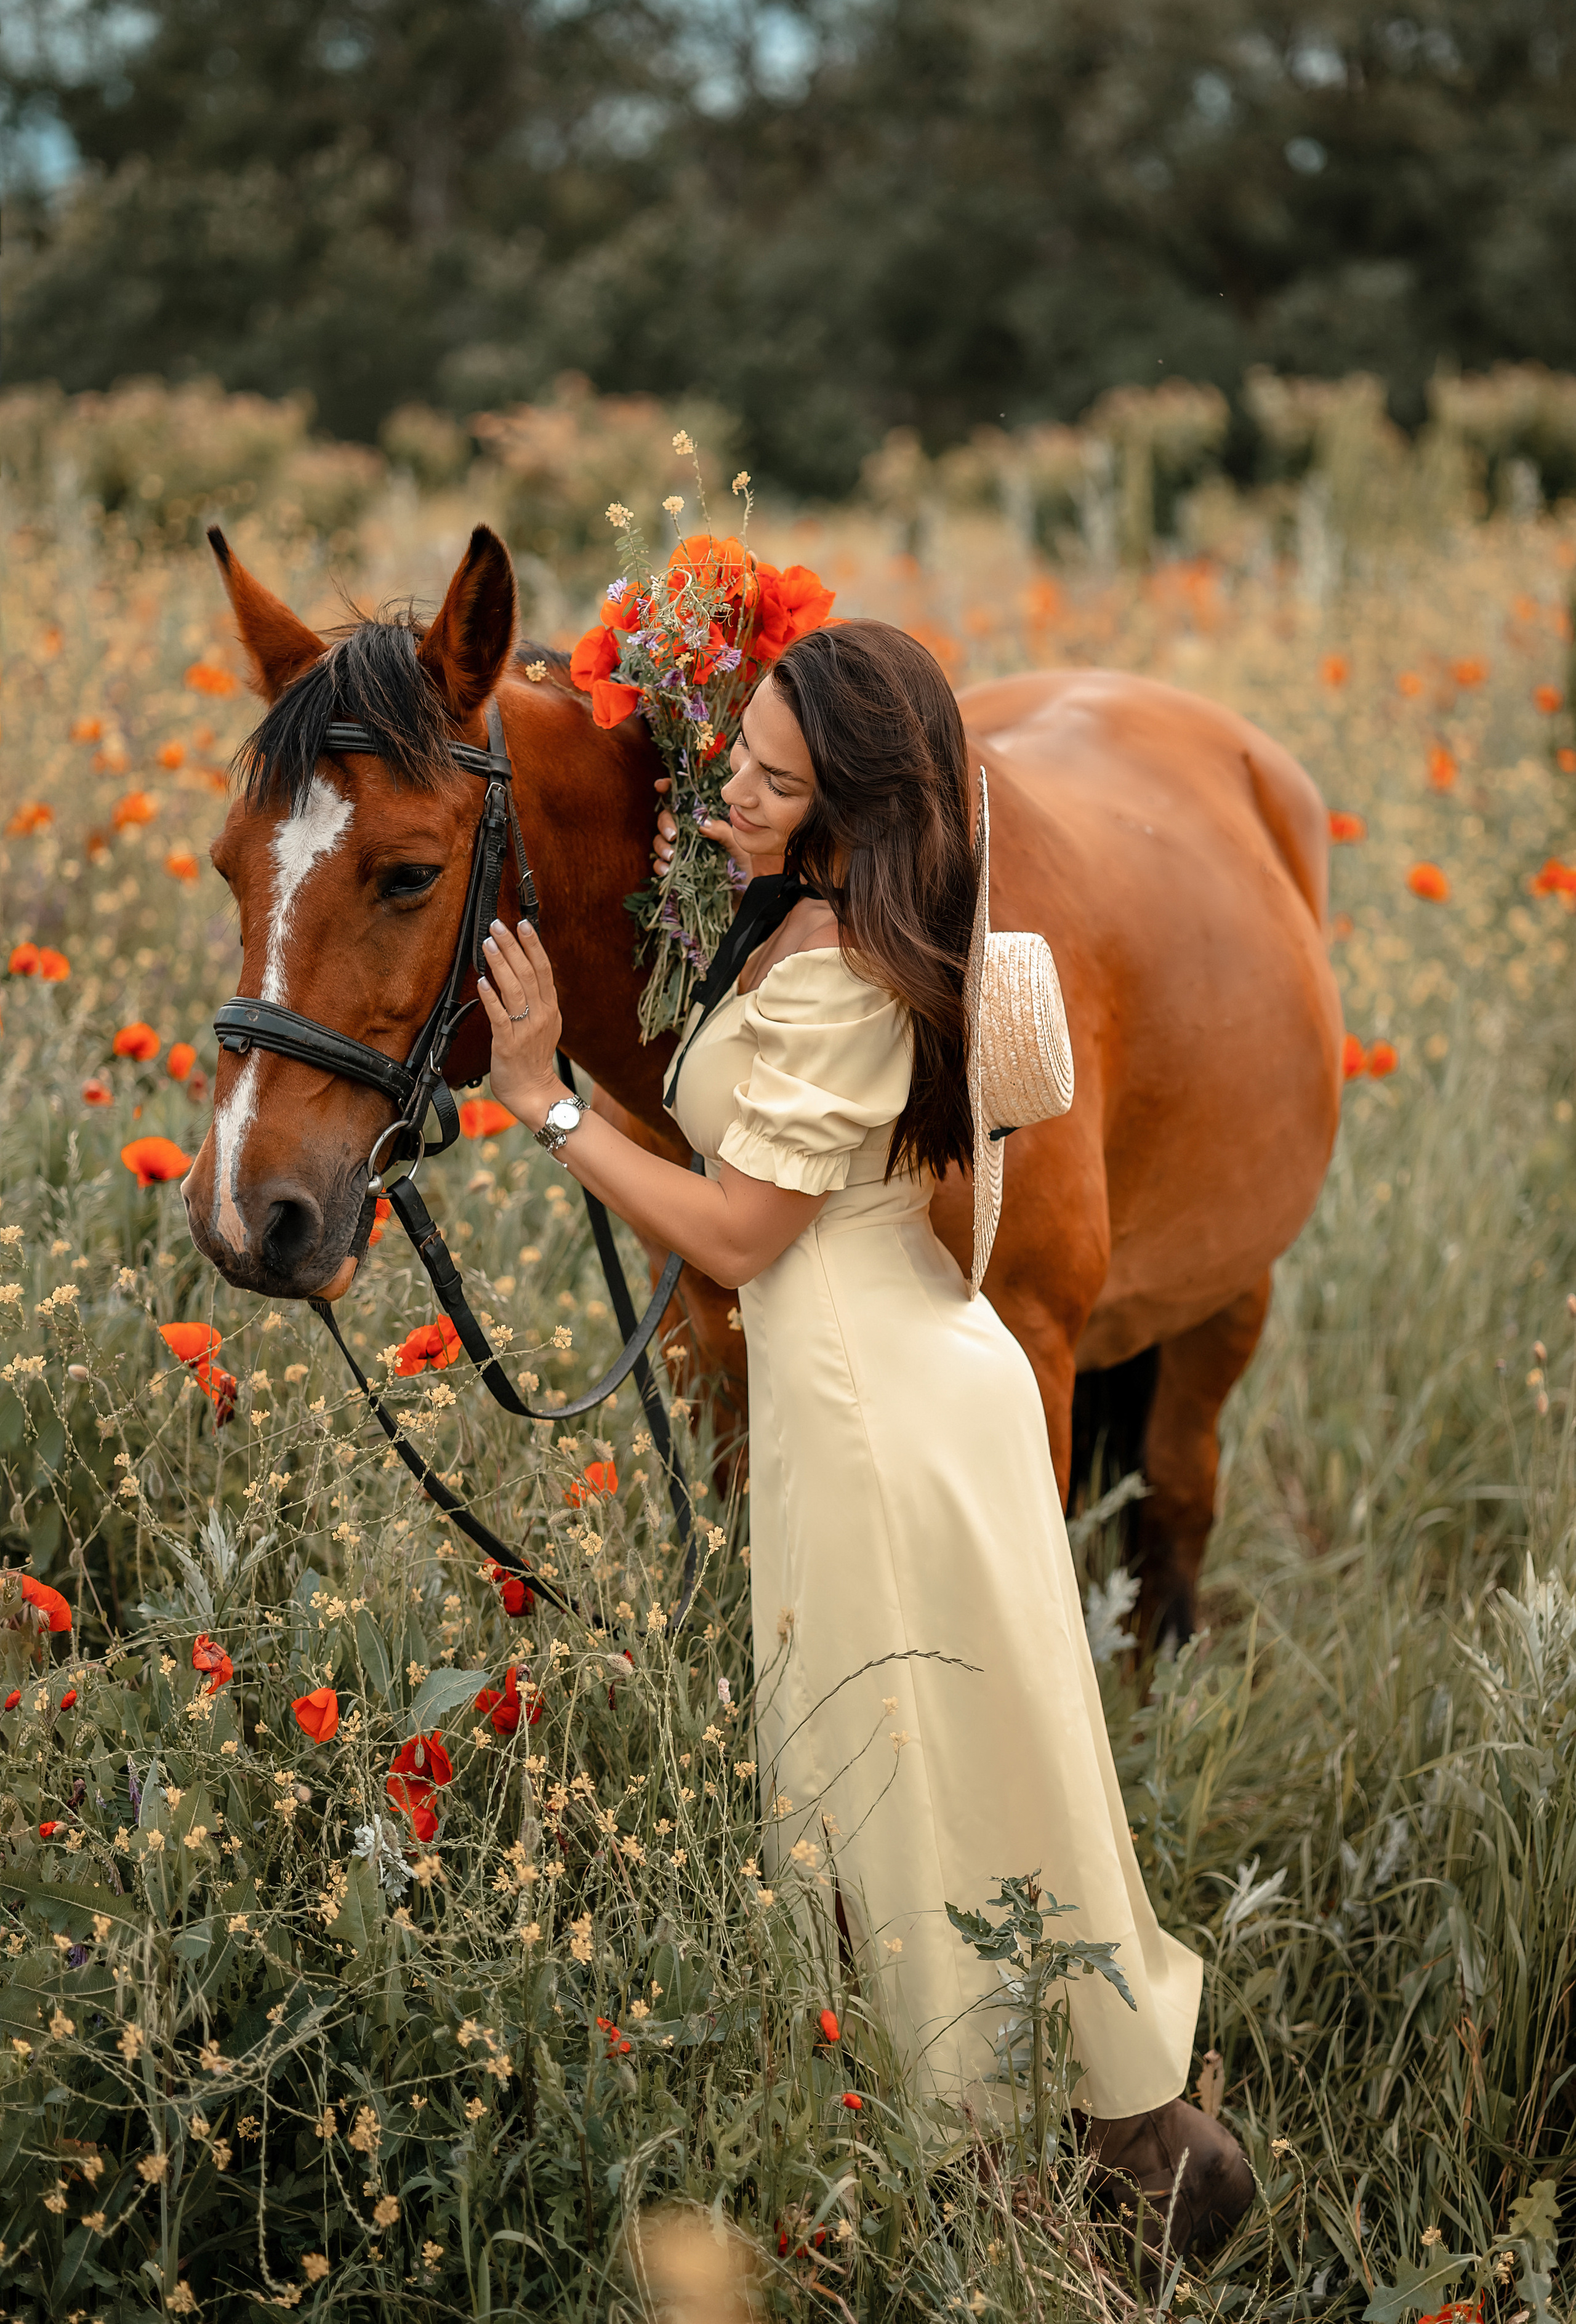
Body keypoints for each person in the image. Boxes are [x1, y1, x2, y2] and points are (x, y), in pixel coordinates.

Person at [477, 619, 1253, 2261]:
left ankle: (988, 2158)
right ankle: (1079, 2114)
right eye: (730, 757)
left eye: (765, 777)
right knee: (937, 1748)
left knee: (903, 1774)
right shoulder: (798, 927)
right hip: (887, 1376)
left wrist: (549, 1101)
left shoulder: (838, 973)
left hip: (873, 1403)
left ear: (851, 804)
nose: (725, 797)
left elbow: (746, 1236)